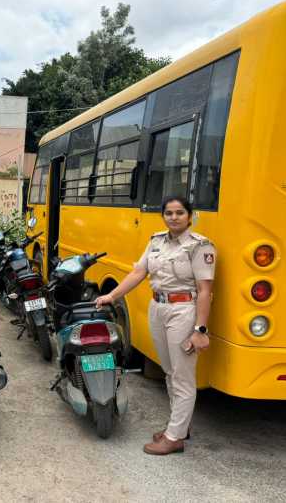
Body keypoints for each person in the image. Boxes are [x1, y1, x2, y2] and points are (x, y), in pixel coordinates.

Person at [94, 195, 215, 455]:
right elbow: (139, 272)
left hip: (183, 311)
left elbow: (205, 291)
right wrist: (112, 296)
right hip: (157, 308)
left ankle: (174, 437)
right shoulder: (156, 241)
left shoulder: (200, 246)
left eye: (179, 213)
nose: (174, 217)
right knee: (170, 372)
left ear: (189, 216)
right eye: (169, 213)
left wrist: (200, 330)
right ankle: (179, 427)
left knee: (182, 376)